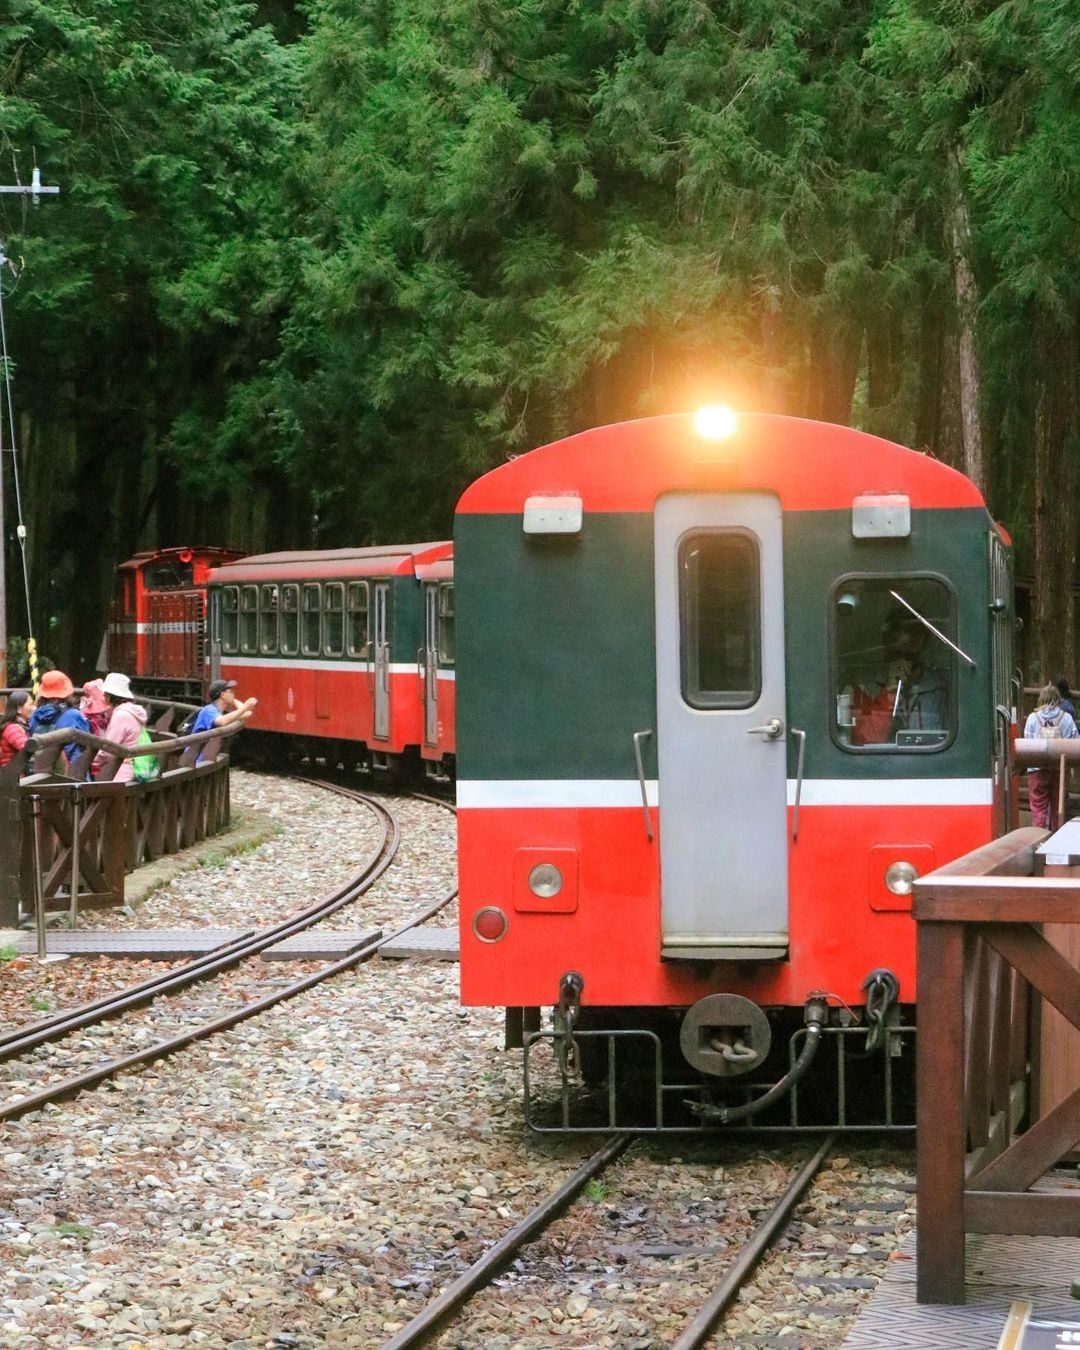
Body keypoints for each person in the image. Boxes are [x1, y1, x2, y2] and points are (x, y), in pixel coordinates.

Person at [852, 608, 949, 746]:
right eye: (897, 649)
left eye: (911, 647)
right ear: (886, 644)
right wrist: (889, 692)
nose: (903, 660)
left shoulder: (942, 687)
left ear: (922, 645)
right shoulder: (865, 687)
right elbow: (865, 741)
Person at [1024, 683, 1079, 831]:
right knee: (1058, 806)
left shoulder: (1032, 718)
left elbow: (1027, 743)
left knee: (1038, 807)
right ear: (1058, 700)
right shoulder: (1066, 718)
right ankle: (1056, 838)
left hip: (1037, 768)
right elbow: (1076, 742)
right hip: (1060, 768)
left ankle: (1038, 838)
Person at [91, 672, 148, 784]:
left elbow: (108, 750)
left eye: (106, 694)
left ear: (111, 695)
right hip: (137, 768)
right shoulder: (133, 712)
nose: (104, 696)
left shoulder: (121, 716)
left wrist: (91, 761)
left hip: (122, 771)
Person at [29, 669, 92, 768]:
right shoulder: (74, 715)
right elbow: (88, 743)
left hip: (41, 772)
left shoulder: (34, 716)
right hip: (72, 772)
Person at [191, 679, 257, 763]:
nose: (234, 693)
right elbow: (222, 721)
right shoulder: (209, 710)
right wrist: (245, 707)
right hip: (193, 761)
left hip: (203, 760)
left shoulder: (218, 712)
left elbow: (247, 713)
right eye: (230, 691)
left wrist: (233, 700)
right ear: (222, 695)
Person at [0, 689, 34, 768]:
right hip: (12, 775)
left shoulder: (21, 725)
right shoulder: (12, 728)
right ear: (19, 709)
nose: (34, 708)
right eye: (30, 705)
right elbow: (27, 747)